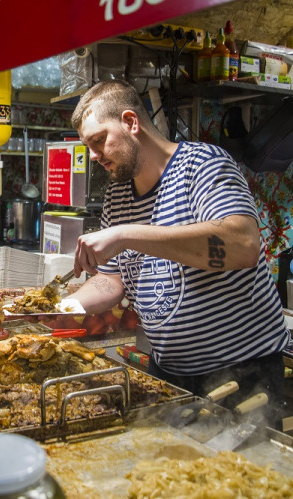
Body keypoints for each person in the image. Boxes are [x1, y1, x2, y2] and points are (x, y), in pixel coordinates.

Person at [65, 79, 290, 425]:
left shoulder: (202, 165)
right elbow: (110, 282)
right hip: (169, 373)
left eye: (98, 141)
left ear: (130, 122)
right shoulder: (117, 197)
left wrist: (126, 235)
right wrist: (61, 308)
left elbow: (243, 245)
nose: (93, 156)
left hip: (243, 373)